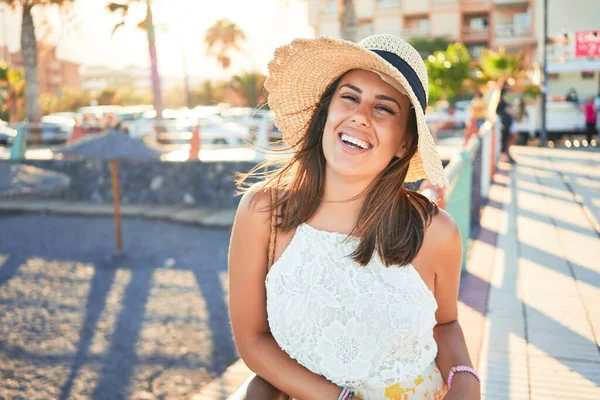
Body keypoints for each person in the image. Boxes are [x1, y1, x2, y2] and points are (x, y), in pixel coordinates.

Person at [228, 35, 481, 400]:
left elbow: (446, 324)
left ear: (405, 143)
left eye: (384, 108)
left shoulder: (436, 232)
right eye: (350, 97)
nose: (360, 116)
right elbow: (252, 340)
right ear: (326, 112)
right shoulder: (263, 213)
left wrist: (466, 382)